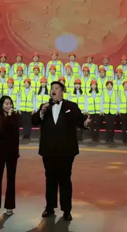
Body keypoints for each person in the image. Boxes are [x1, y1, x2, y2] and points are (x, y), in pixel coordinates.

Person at [32, 81, 91, 221]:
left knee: (65, 179)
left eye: (56, 88)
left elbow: (80, 121)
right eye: (52, 88)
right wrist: (42, 112)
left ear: (62, 91)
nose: (53, 90)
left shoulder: (71, 106)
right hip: (49, 150)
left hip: (66, 151)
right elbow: (34, 121)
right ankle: (49, 207)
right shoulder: (45, 106)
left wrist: (85, 123)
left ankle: (66, 210)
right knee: (50, 179)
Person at [0, 96, 20, 216]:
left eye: (10, 104)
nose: (9, 106)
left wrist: (17, 151)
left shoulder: (15, 116)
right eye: (6, 104)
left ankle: (10, 206)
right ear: (1, 105)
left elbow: (16, 135)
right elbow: (1, 129)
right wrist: (8, 117)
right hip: (0, 151)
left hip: (12, 151)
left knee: (11, 179)